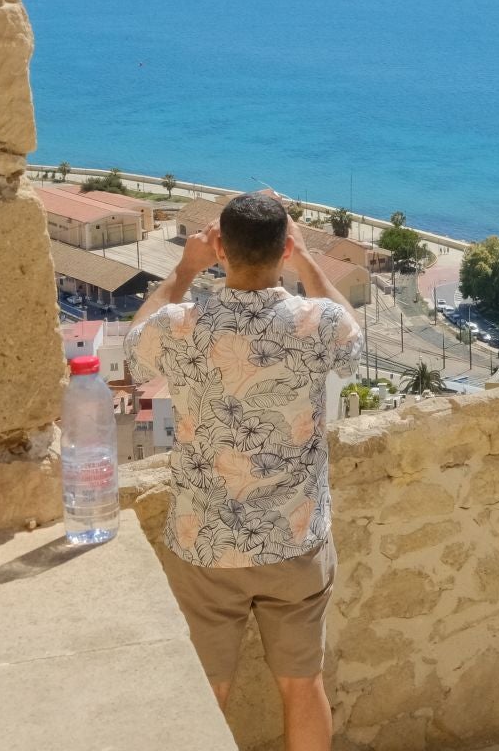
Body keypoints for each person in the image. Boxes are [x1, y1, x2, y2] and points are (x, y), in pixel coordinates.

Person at [124, 193, 361, 751]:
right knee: (303, 686)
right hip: (295, 539)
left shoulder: (180, 325)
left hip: (205, 543)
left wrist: (185, 269)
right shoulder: (315, 321)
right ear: (283, 247)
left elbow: (132, 354)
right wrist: (307, 263)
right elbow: (353, 341)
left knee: (205, 692)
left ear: (222, 249)